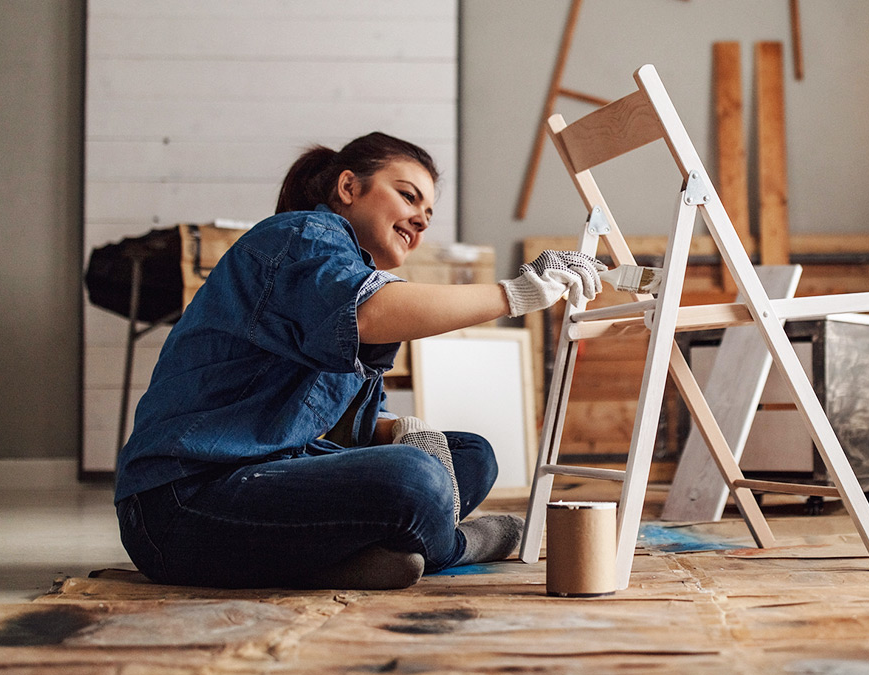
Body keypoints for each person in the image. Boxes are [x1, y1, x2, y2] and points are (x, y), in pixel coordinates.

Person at [114, 131, 606, 589]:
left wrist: (402, 430)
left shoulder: (351, 268)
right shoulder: (303, 235)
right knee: (416, 480)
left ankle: (350, 558)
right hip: (182, 500)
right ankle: (451, 546)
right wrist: (517, 293)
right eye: (408, 196)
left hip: (270, 474)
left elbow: (345, 426)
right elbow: (369, 314)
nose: (420, 220)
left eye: (428, 214)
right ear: (349, 186)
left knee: (472, 455)